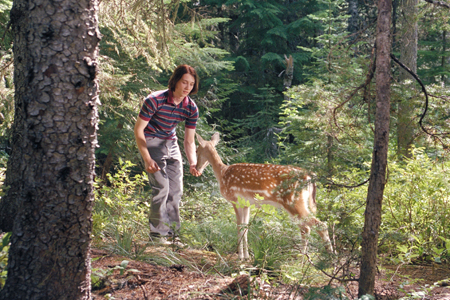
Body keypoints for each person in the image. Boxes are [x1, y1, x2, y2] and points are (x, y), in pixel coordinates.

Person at [134, 64, 201, 244]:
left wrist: (193, 162)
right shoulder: (154, 100)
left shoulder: (191, 108)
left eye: (191, 84)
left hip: (172, 143)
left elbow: (189, 141)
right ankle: (157, 236)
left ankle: (173, 236)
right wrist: (147, 158)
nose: (187, 87)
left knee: (176, 190)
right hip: (151, 141)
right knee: (161, 188)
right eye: (184, 82)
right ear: (175, 81)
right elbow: (139, 130)